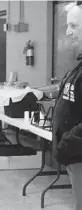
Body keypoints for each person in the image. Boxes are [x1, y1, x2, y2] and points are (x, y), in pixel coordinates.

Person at [54, 2, 82, 210]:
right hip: (75, 156)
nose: (68, 31)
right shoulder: (79, 64)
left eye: (74, 25)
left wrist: (68, 142)